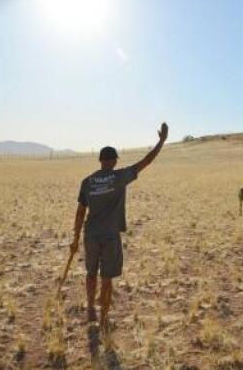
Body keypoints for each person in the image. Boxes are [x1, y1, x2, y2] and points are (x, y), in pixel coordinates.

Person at [70, 122, 168, 330]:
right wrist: (161, 141)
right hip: (110, 236)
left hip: (90, 234)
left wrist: (75, 239)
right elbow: (146, 161)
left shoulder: (87, 181)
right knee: (106, 277)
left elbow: (80, 212)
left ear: (100, 161)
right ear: (114, 161)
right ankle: (104, 316)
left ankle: (90, 308)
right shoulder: (119, 177)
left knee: (90, 273)